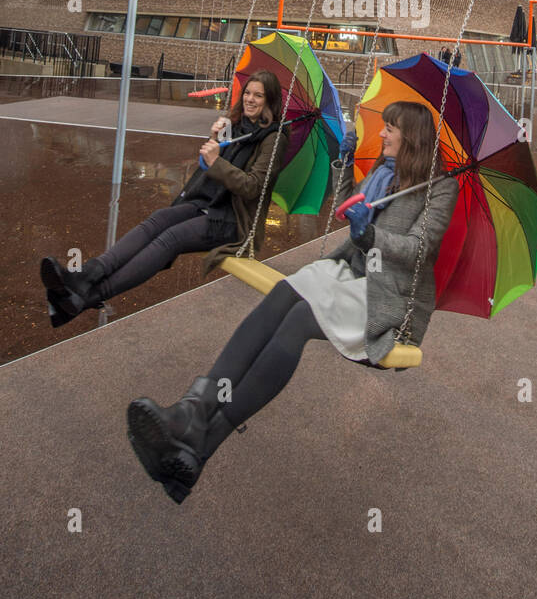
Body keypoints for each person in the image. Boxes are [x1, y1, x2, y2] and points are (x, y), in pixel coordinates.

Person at [125, 100, 459, 504]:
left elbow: (419, 250)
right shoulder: (383, 172)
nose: (383, 134)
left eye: (391, 129)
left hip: (386, 293)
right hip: (349, 272)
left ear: (413, 137)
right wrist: (346, 160)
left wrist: (370, 237)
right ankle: (194, 410)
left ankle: (200, 441)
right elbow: (348, 205)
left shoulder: (442, 186)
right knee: (286, 292)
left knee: (300, 316)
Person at [39, 70, 287, 327]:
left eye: (259, 95)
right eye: (248, 92)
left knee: (171, 239)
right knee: (157, 221)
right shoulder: (236, 124)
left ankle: (88, 296)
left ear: (269, 101)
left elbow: (252, 187)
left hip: (232, 220)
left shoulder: (274, 139)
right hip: (206, 203)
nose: (250, 99)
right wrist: (216, 139)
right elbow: (209, 165)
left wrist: (215, 161)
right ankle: (86, 276)